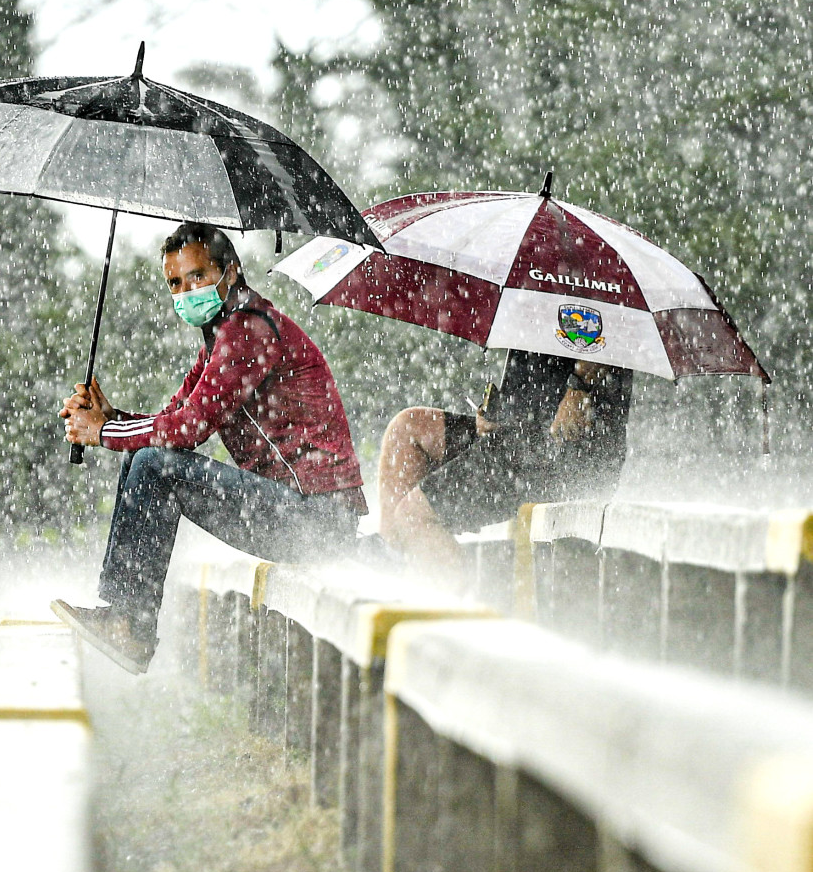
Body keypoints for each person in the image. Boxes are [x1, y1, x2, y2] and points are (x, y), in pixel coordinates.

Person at [53, 222, 368, 674]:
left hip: (317, 519)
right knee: (144, 460)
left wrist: (101, 432)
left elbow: (188, 428)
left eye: (197, 276)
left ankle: (130, 623)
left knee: (155, 465)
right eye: (175, 283)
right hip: (296, 515)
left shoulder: (248, 330)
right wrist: (113, 417)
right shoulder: (223, 335)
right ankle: (124, 618)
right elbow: (172, 418)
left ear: (232, 272)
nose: (186, 291)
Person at [375, 351, 633, 576]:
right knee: (406, 428)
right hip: (517, 436)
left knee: (413, 515)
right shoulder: (536, 297)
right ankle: (401, 563)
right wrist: (499, 413)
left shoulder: (589, 297)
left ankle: (456, 607)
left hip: (560, 449)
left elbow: (602, 328)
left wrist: (580, 388)